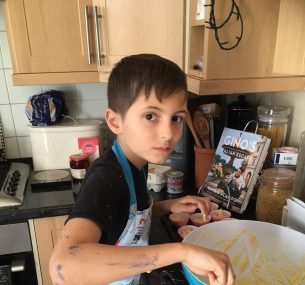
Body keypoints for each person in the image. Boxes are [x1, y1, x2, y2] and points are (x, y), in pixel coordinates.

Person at [49, 54, 235, 285]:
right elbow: (62, 267)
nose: (168, 133)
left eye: (176, 118)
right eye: (150, 116)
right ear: (116, 122)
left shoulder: (137, 162)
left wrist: (167, 206)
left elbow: (124, 214)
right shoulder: (107, 177)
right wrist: (183, 251)